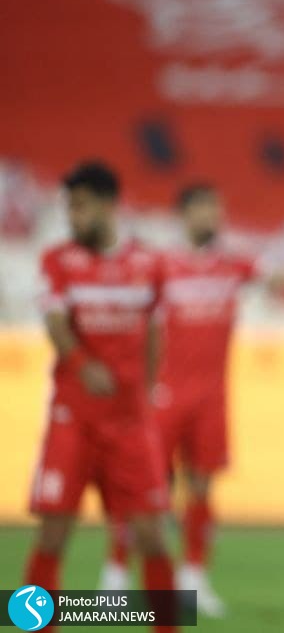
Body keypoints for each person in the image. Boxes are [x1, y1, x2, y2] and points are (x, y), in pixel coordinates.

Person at [99, 182, 284, 616]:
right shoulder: (160, 265)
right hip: (163, 396)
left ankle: (194, 579)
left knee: (202, 486)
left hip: (210, 399)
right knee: (144, 488)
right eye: (204, 209)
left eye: (217, 209)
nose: (213, 217)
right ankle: (116, 575)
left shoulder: (233, 264)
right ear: (184, 214)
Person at [24, 160, 177, 633]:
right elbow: (55, 321)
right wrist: (81, 364)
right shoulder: (58, 261)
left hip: (129, 424)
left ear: (109, 205)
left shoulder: (148, 265)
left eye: (81, 206)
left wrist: (146, 393)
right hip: (72, 419)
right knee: (52, 533)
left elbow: (156, 333)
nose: (73, 217)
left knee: (152, 535)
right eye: (69, 207)